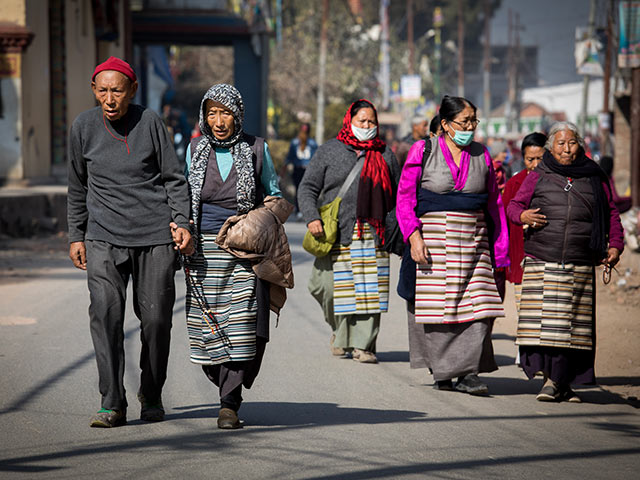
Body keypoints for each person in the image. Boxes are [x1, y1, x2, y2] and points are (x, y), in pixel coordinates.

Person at [67, 56, 192, 428]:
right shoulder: (83, 127)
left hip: (154, 237)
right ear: (94, 91)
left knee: (155, 319)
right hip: (103, 235)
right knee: (105, 313)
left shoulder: (150, 122)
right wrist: (76, 234)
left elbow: (173, 176)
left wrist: (182, 223)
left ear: (132, 91)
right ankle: (112, 400)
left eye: (117, 91)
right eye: (102, 91)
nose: (109, 99)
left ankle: (151, 392)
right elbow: (77, 186)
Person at [181, 84, 287, 429]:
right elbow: (183, 195)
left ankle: (229, 403)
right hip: (202, 251)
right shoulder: (195, 148)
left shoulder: (257, 149)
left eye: (225, 112)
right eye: (211, 113)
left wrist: (254, 223)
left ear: (237, 113)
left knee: (241, 325)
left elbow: (273, 196)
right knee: (208, 326)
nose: (218, 120)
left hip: (243, 251)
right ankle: (220, 378)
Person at [396, 95, 509, 395]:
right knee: (440, 311)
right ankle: (444, 371)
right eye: (464, 121)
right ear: (445, 125)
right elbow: (405, 198)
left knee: (479, 307)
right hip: (432, 243)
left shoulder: (482, 154)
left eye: (474, 121)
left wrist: (500, 249)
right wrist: (414, 237)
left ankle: (468, 373)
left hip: (475, 243)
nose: (470, 127)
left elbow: (494, 204)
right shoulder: (423, 150)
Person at [506, 121, 624, 402]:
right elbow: (514, 205)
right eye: (560, 143)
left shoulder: (594, 176)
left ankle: (561, 382)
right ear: (551, 147)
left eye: (572, 142)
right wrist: (523, 217)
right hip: (542, 258)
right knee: (545, 328)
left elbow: (611, 213)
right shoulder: (539, 174)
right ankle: (552, 380)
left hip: (579, 260)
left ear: (580, 145)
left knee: (572, 329)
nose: (567, 148)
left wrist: (616, 245)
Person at [298, 99, 401, 364]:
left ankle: (363, 345)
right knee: (328, 288)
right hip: (336, 231)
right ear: (349, 121)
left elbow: (400, 194)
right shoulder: (330, 150)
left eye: (371, 122)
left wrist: (396, 230)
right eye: (361, 121)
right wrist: (311, 217)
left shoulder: (386, 154)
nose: (367, 126)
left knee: (369, 292)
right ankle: (340, 335)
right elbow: (307, 186)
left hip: (373, 232)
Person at [502, 132, 547, 305]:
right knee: (525, 312)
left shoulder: (557, 181)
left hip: (549, 257)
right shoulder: (514, 183)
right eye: (530, 159)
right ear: (523, 158)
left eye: (540, 159)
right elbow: (505, 215)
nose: (535, 165)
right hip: (521, 257)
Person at [284, 123, 318, 217]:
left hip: (299, 169)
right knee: (306, 190)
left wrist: (284, 168)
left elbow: (289, 158)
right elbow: (316, 157)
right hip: (306, 169)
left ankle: (299, 209)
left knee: (299, 189)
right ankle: (304, 209)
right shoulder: (312, 143)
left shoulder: (295, 142)